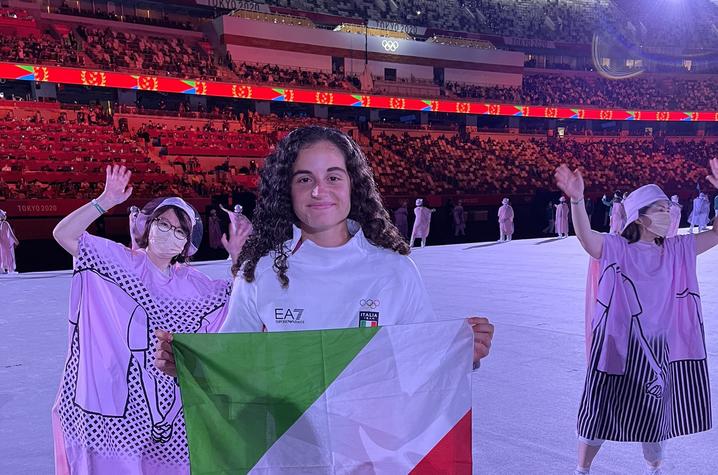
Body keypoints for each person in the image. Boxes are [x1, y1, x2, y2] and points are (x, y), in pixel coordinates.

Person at [155, 125, 493, 381]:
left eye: (333, 176)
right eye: (304, 179)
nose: (320, 191)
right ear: (286, 190)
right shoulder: (260, 271)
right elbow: (230, 359)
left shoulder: (394, 269)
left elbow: (420, 354)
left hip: (370, 450)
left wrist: (462, 351)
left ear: (352, 184)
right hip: (289, 446)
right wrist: (188, 364)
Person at [50, 165, 251, 474]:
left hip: (173, 412)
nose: (169, 233)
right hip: (120, 406)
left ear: (186, 243)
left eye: (179, 230)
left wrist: (238, 260)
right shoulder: (119, 262)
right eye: (163, 223)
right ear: (149, 225)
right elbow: (64, 234)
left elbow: (239, 304)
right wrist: (104, 200)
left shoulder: (193, 284)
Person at [555, 163, 718, 475]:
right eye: (659, 208)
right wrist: (577, 201)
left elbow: (717, 233)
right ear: (639, 215)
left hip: (658, 347)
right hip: (617, 344)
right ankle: (582, 470)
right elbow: (588, 239)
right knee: (601, 409)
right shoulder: (616, 247)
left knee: (654, 413)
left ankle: (654, 468)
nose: (668, 214)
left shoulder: (676, 249)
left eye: (668, 208)